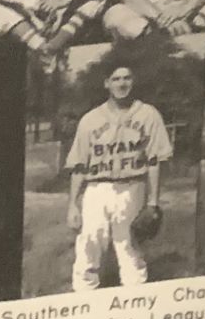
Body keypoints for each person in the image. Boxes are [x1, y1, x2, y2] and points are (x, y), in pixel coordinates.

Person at [63, 58, 172, 290]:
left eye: (126, 78)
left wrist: (152, 203)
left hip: (132, 185)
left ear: (133, 81)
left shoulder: (148, 115)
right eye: (116, 79)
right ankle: (84, 298)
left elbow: (154, 161)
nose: (122, 83)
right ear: (106, 83)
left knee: (129, 246)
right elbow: (79, 165)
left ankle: (135, 297)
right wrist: (73, 204)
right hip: (97, 188)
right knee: (89, 244)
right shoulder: (90, 119)